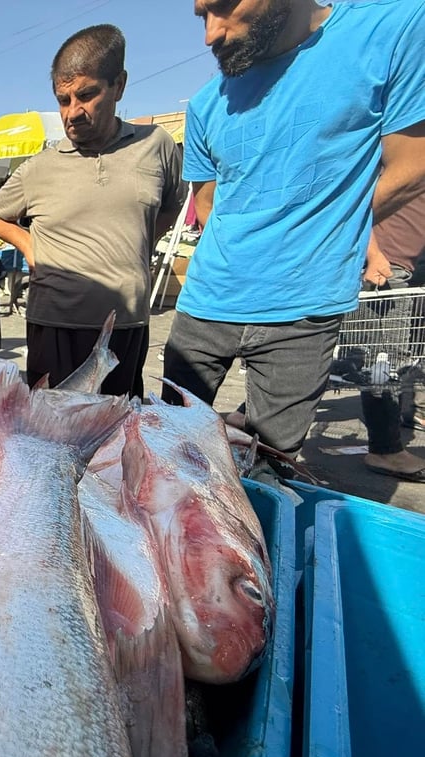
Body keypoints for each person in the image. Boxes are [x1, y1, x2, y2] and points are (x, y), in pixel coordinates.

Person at [161, 0, 425, 457]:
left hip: (300, 311)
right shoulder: (206, 102)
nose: (210, 34)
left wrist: (323, 234)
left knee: (267, 465)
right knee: (168, 453)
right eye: (201, 15)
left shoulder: (390, 30)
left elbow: (413, 164)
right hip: (204, 303)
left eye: (223, 7)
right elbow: (206, 202)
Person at [0, 25, 183, 397]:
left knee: (116, 431)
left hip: (125, 324)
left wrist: (138, 245)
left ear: (119, 86)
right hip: (55, 323)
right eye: (63, 100)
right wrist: (32, 249)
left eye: (86, 95)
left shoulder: (157, 146)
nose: (72, 112)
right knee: (52, 432)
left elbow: (172, 206)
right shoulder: (39, 168)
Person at [359, 190, 425, 481]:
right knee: (381, 364)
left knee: (390, 360)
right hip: (386, 264)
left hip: (406, 260)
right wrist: (372, 253)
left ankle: (411, 412)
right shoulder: (403, 145)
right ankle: (385, 449)